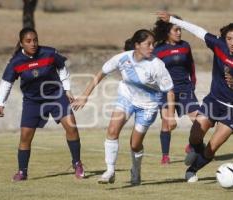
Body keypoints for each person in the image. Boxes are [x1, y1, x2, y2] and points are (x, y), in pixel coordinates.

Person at [157, 11, 233, 182]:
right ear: (225, 38)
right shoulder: (219, 44)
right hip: (214, 101)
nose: (232, 43)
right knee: (195, 135)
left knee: (212, 147)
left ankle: (192, 170)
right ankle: (196, 149)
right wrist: (172, 20)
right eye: (229, 39)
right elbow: (198, 31)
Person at [72, 29, 177, 185]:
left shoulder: (157, 65)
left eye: (153, 44)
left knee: (135, 144)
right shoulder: (122, 58)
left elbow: (169, 91)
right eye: (148, 44)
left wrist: (170, 117)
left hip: (148, 105)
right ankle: (110, 170)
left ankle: (136, 170)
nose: (152, 48)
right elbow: (101, 73)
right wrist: (85, 95)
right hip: (127, 97)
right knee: (112, 130)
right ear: (137, 45)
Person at [0, 27, 85, 182]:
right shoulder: (16, 61)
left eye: (35, 40)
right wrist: (0, 103)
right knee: (25, 137)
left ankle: (77, 163)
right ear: (22, 43)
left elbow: (62, 68)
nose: (33, 44)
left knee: (71, 127)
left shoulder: (49, 53)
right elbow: (6, 83)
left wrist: (68, 89)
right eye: (28, 41)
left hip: (56, 96)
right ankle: (22, 172)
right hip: (33, 101)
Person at [153, 16, 200, 165]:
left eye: (180, 29)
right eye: (176, 29)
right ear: (167, 31)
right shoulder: (158, 50)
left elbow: (191, 66)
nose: (179, 32)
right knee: (167, 124)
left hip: (185, 89)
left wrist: (193, 83)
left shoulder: (185, 46)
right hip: (166, 92)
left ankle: (191, 145)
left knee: (200, 121)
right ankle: (165, 156)